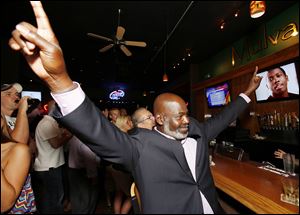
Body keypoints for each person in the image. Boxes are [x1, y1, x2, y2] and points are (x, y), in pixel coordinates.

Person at [8, 1, 262, 213]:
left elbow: (225, 116)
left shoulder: (196, 130)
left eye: (187, 114)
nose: (187, 120)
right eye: (180, 116)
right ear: (159, 118)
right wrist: (60, 80)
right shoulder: (140, 146)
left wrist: (248, 93)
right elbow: (97, 131)